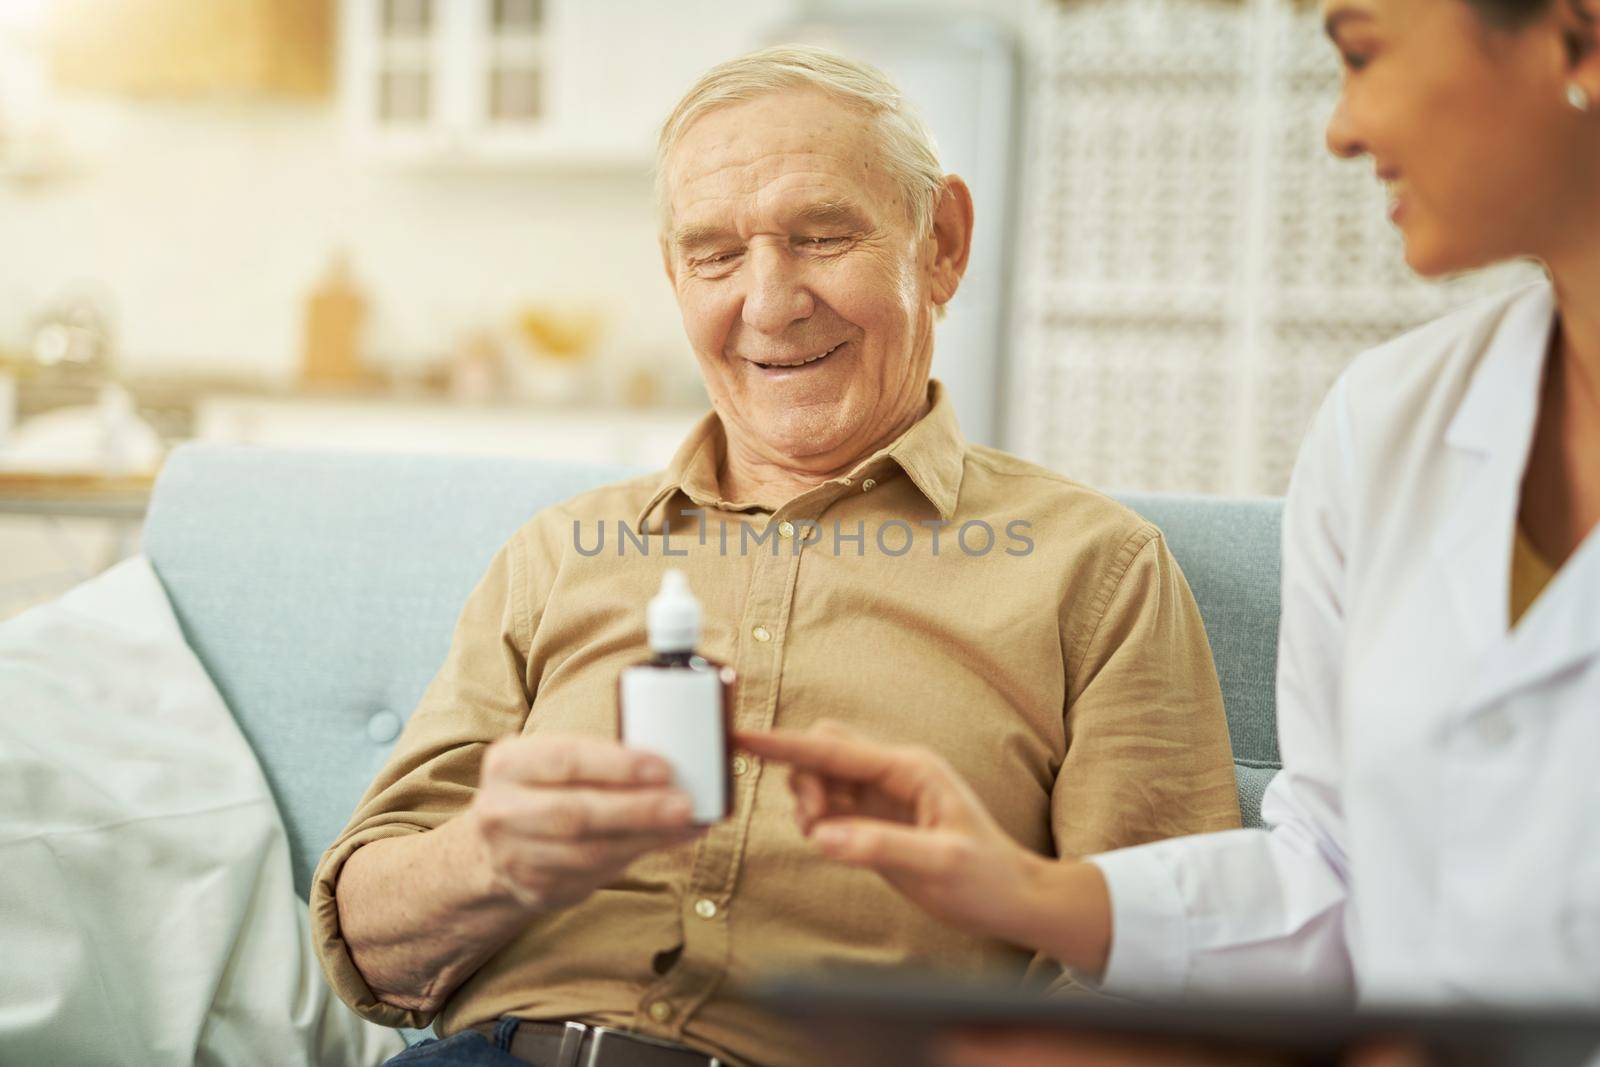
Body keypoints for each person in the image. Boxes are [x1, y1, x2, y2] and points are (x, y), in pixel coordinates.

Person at [309, 46, 1242, 1067]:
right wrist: (493, 856)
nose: (768, 301)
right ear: (675, 276)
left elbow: (1166, 967)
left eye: (823, 234)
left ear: (943, 246)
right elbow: (372, 948)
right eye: (714, 254)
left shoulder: (1094, 571)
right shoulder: (558, 554)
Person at [743, 0, 1600, 1063]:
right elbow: (1328, 874)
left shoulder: (1088, 565)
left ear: (1577, 39)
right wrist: (1026, 891)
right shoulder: (1386, 422)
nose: (1339, 127)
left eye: (1361, 54)